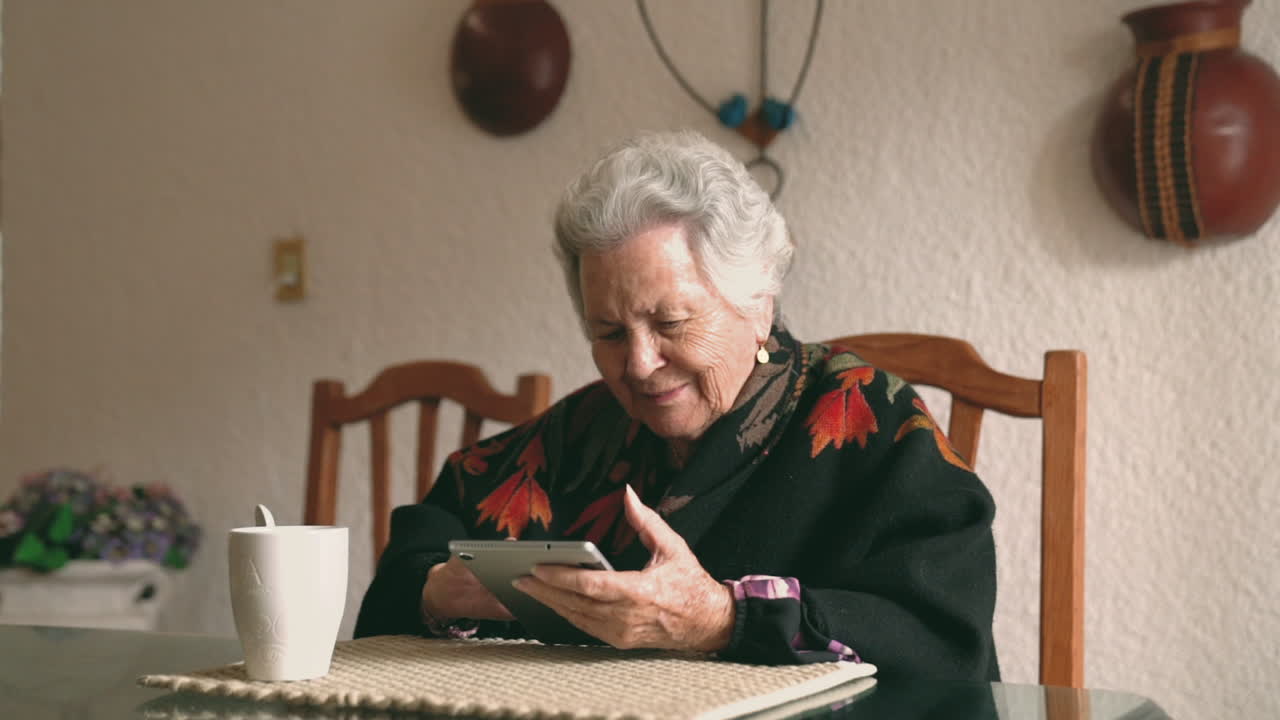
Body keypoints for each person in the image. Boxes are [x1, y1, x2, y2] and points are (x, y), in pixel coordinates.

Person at [354, 130, 999, 680]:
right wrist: (439, 592)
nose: (638, 364)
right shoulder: (587, 431)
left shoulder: (865, 418)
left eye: (670, 323)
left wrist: (722, 619)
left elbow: (943, 635)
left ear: (758, 304)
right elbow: (433, 532)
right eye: (609, 334)